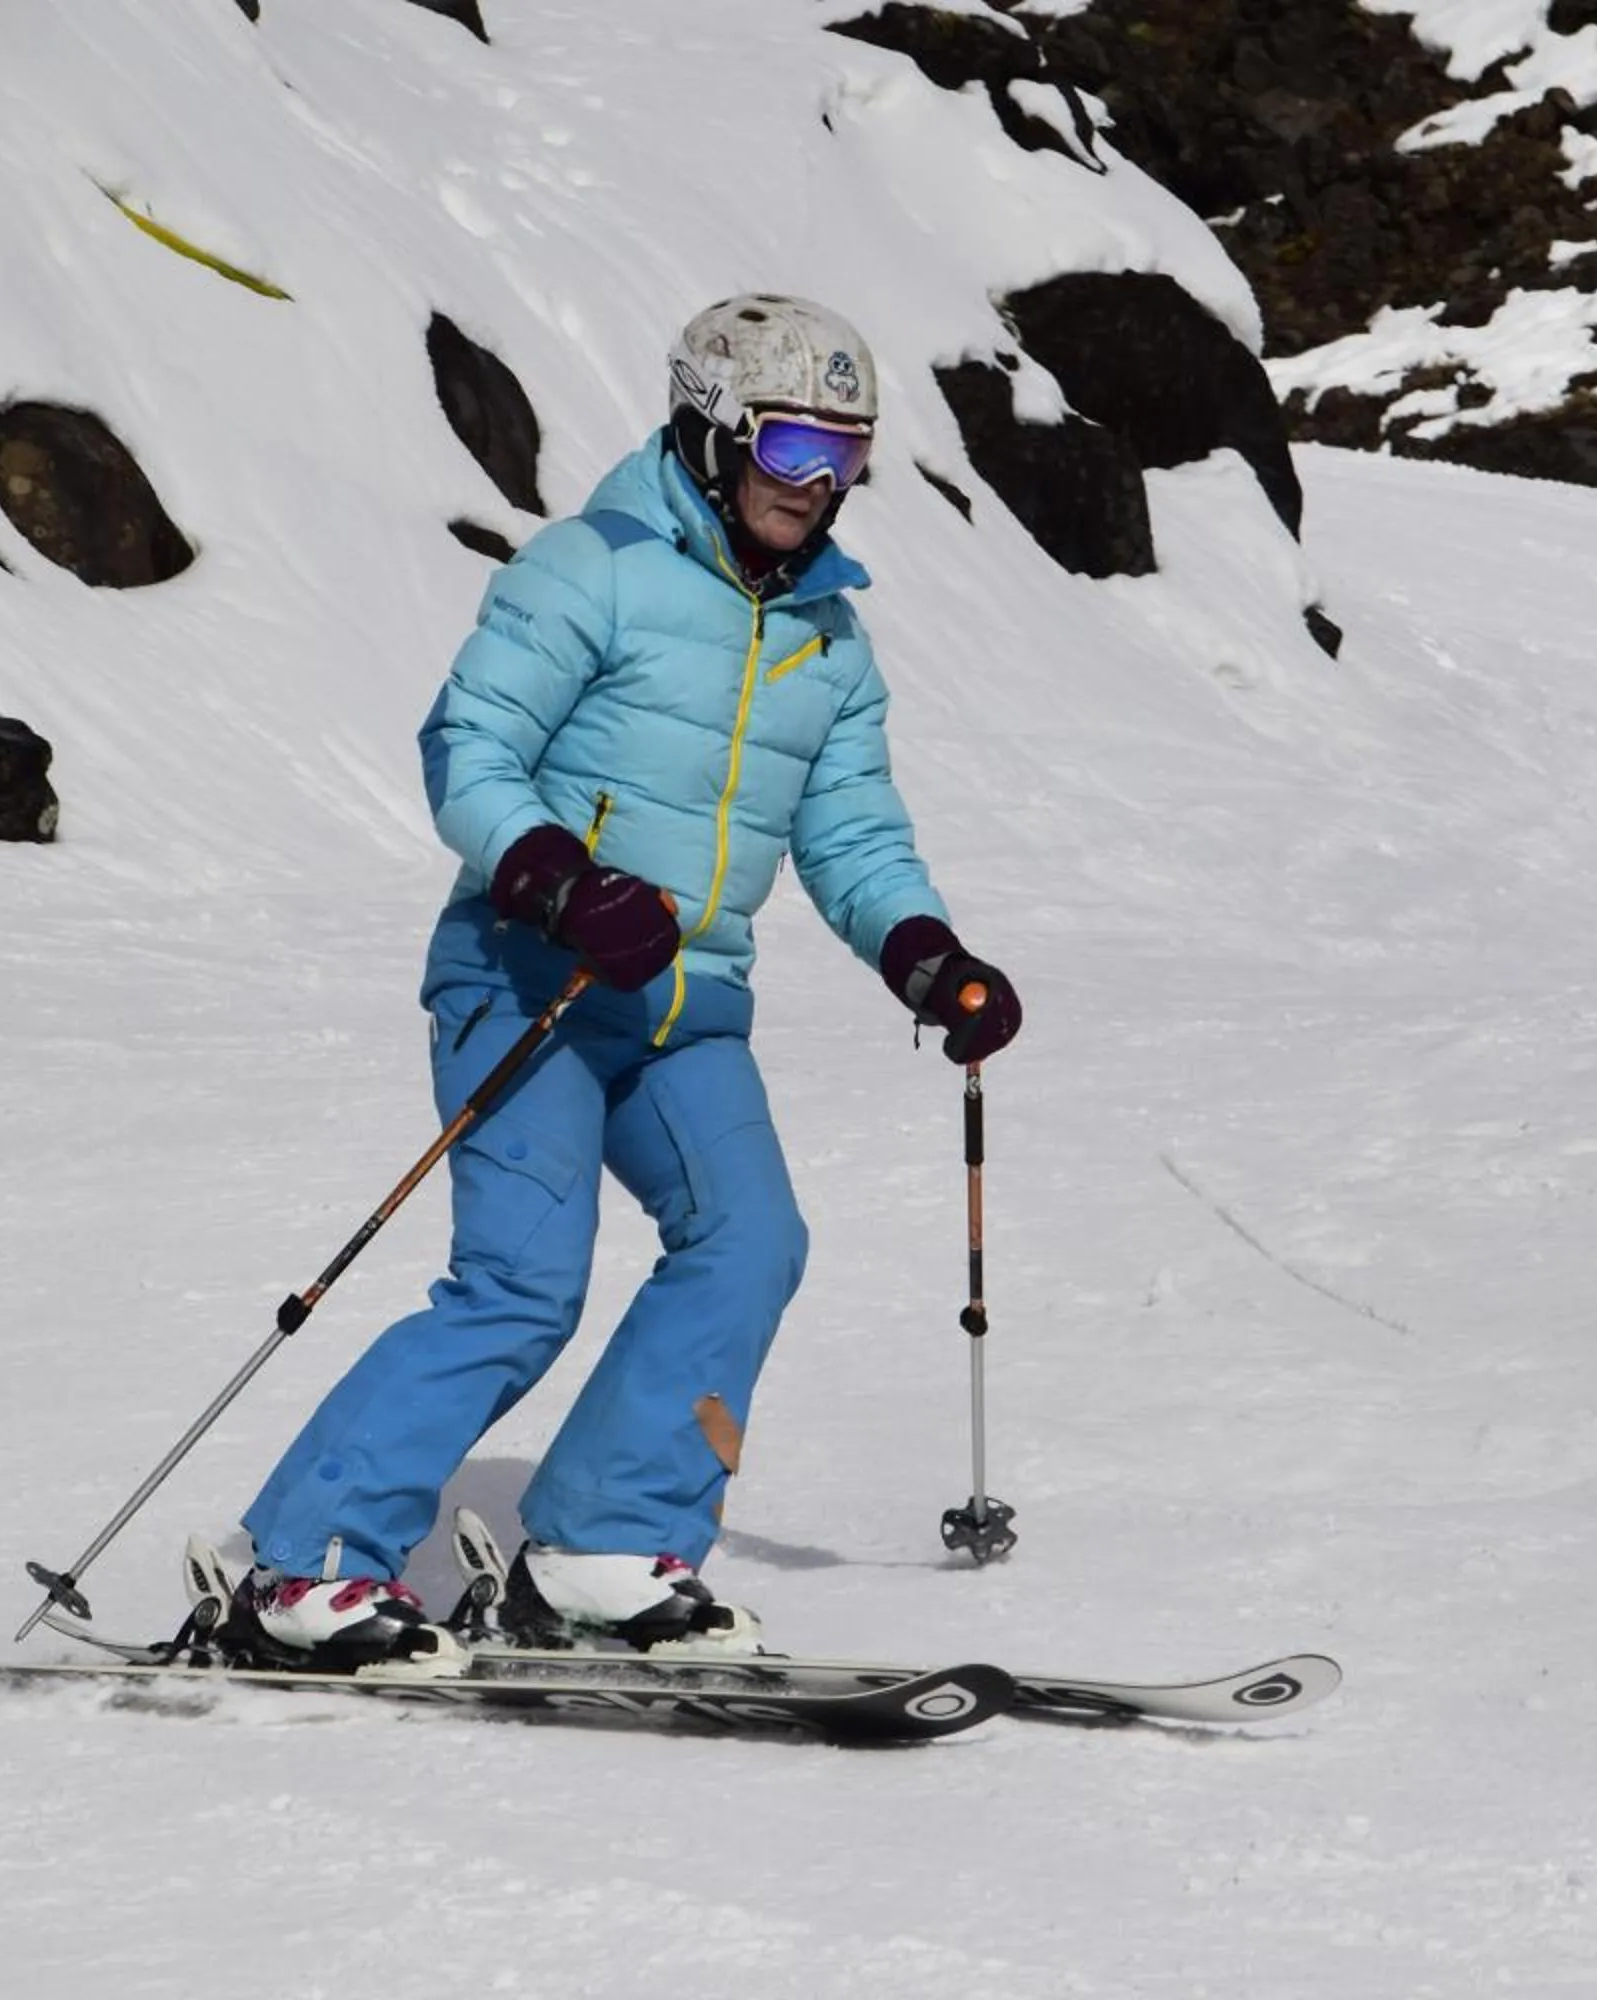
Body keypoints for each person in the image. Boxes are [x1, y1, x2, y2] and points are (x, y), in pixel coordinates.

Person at [226, 294, 1024, 1674]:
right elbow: (468, 743)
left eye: (847, 456)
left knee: (751, 1243)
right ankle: (308, 1565)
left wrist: (927, 956)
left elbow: (850, 832)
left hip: (684, 1007)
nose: (818, 485)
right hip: (526, 973)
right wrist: (556, 880)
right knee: (521, 1285)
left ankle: (602, 1542)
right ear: (713, 432)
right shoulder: (588, 568)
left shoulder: (829, 636)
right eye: (792, 448)